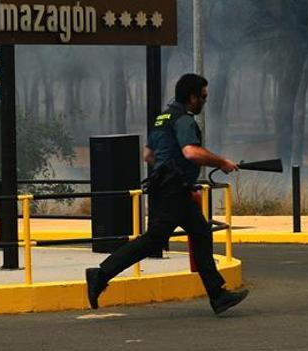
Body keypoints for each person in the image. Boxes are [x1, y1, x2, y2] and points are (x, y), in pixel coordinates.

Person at [85, 73, 249, 315]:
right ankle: (100, 274)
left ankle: (218, 294)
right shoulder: (184, 120)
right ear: (192, 97)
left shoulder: (163, 118)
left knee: (201, 233)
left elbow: (149, 155)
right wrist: (221, 161)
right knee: (154, 240)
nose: (204, 101)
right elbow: (191, 152)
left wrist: (178, 177)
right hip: (172, 191)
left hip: (171, 188)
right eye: (202, 97)